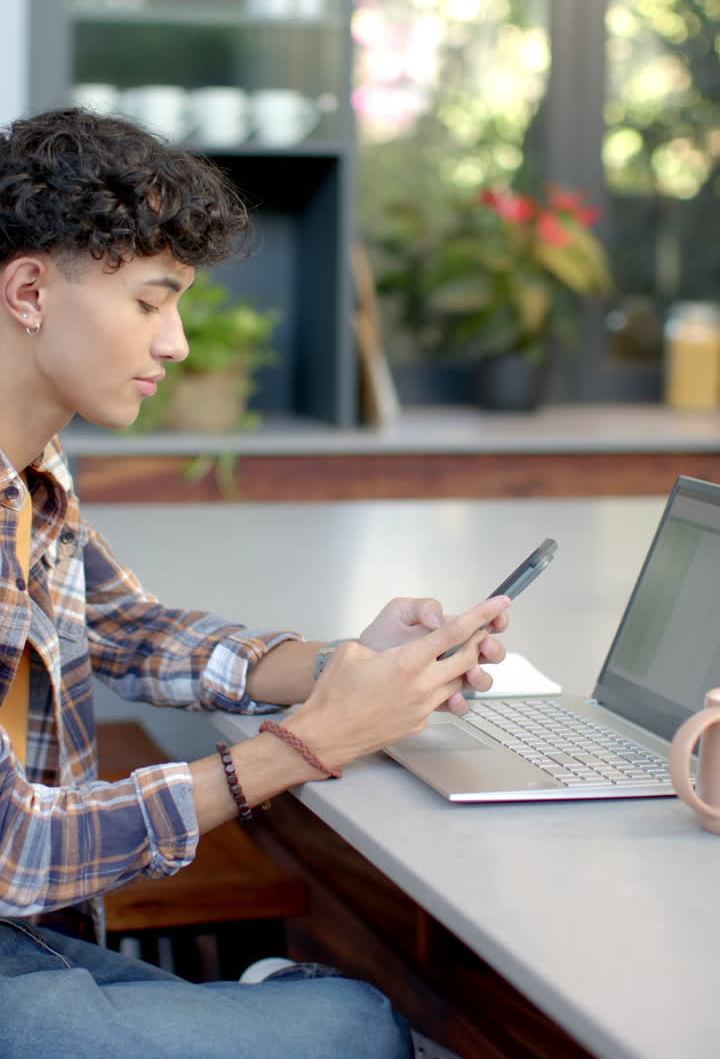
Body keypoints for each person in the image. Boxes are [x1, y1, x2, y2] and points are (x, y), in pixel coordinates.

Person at [0, 107, 510, 1059]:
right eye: (151, 302)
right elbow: (17, 852)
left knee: (356, 1023)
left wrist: (343, 664)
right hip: (16, 916)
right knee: (359, 1035)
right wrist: (312, 742)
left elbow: (123, 627)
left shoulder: (29, 466)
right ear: (31, 290)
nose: (178, 343)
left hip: (32, 933)